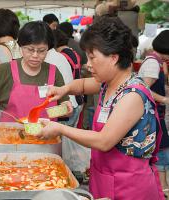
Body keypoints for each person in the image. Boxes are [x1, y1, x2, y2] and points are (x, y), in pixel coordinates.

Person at [37, 16, 164, 200]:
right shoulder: (108, 83)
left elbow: (104, 141)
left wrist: (60, 128)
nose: (88, 65)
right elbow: (81, 85)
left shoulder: (132, 95)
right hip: (103, 176)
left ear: (113, 58)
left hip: (129, 186)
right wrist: (63, 89)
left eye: (92, 57)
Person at [0, 21, 71, 121]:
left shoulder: (53, 72)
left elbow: (65, 108)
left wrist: (57, 111)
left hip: (45, 136)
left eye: (41, 51)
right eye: (30, 49)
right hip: (10, 135)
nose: (35, 55)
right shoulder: (6, 70)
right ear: (20, 46)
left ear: (48, 48)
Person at [138, 30, 169, 195]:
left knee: (161, 147)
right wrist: (165, 100)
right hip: (153, 114)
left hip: (157, 114)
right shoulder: (153, 63)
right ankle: (162, 187)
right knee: (162, 148)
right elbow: (144, 89)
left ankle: (161, 185)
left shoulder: (156, 60)